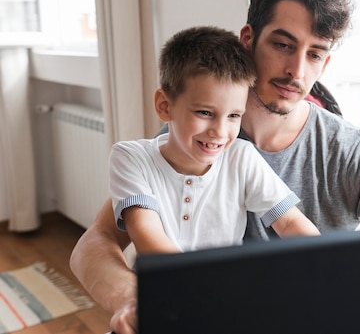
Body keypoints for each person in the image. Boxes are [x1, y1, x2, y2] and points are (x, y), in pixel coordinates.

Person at [70, 0, 360, 334]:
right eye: (283, 44)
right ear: (248, 40)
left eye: (314, 54)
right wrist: (135, 299)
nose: (297, 70)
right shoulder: (193, 137)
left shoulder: (350, 152)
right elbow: (93, 245)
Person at [110, 25, 319, 257]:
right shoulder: (131, 158)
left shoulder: (242, 158)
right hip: (167, 287)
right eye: (205, 113)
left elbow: (289, 221)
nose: (219, 132)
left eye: (233, 116)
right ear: (165, 106)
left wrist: (329, 261)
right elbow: (147, 234)